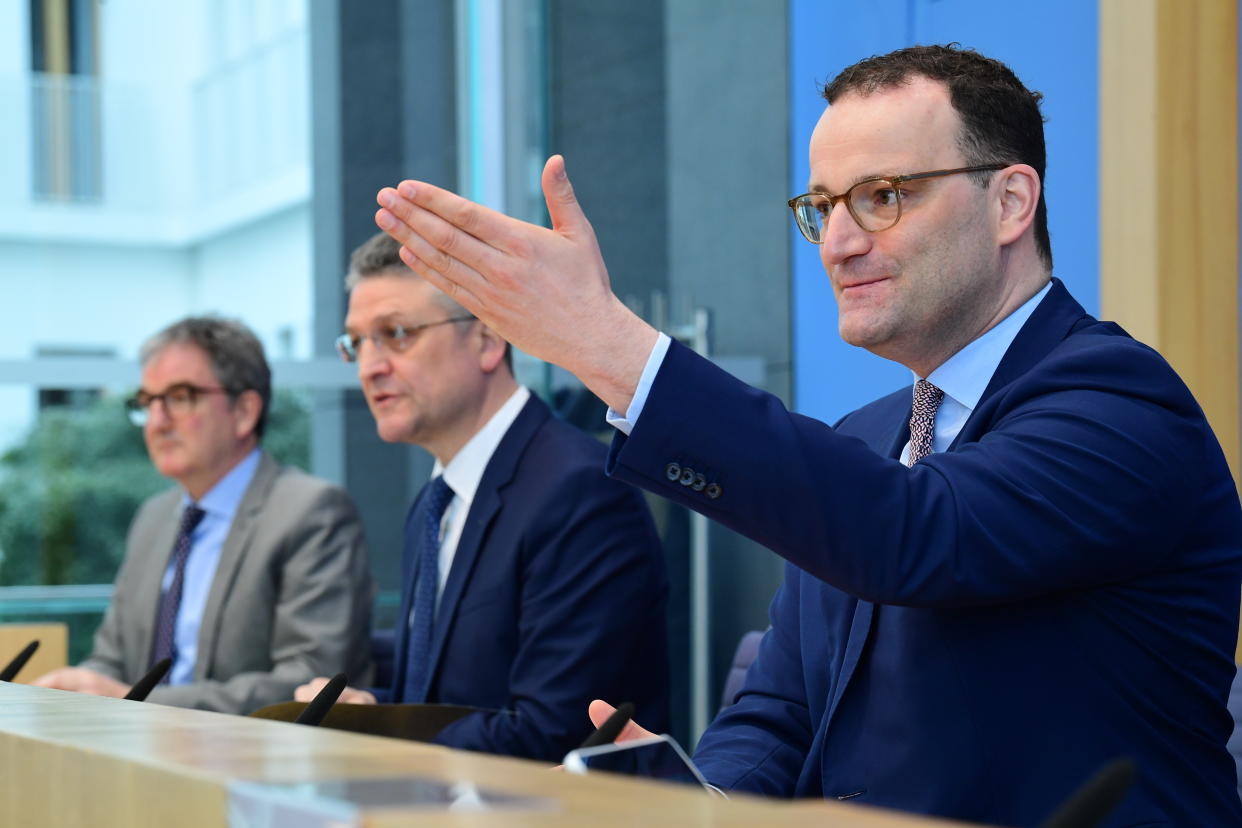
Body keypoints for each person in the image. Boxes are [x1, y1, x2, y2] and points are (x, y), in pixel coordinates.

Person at [369, 44, 1242, 826]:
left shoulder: (1120, 402)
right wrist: (698, 801)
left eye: (883, 197)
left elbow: (916, 537)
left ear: (1011, 201)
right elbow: (780, 710)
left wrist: (612, 348)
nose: (839, 243)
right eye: (824, 206)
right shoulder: (865, 441)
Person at [294, 232, 669, 762]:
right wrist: (366, 710)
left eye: (396, 334)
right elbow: (444, 705)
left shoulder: (579, 493)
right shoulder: (435, 503)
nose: (369, 367)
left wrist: (375, 735)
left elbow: (555, 736)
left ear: (488, 340)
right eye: (357, 343)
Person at [34, 317, 372, 714]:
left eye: (180, 397)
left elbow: (311, 680)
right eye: (146, 402)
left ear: (245, 411)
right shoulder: (153, 518)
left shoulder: (311, 512)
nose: (157, 421)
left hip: (252, 765)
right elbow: (113, 663)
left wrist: (136, 703)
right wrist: (69, 690)